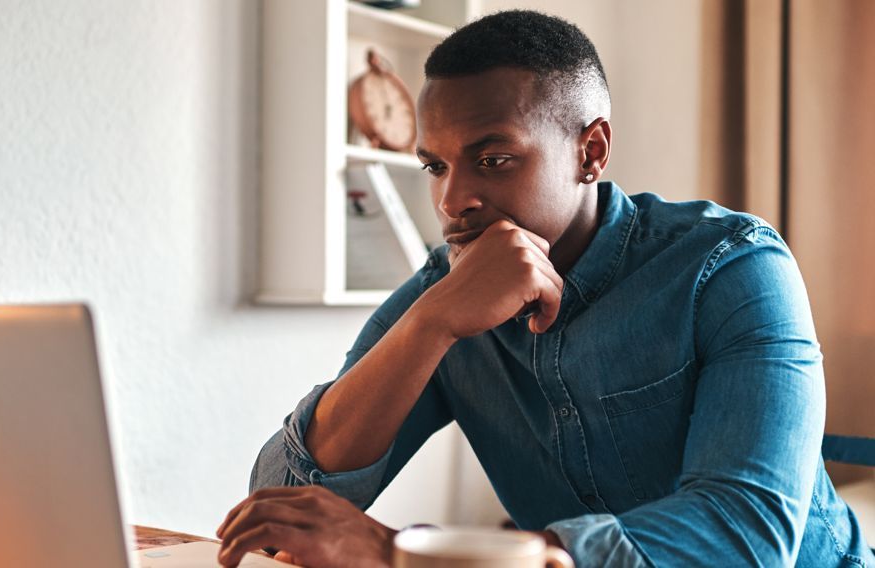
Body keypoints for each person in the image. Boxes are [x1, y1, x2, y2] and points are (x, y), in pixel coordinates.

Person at [216, 10, 874, 567]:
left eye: (493, 160)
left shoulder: (731, 265)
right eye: (435, 166)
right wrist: (429, 324)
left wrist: (406, 554)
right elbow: (277, 500)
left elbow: (747, 534)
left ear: (591, 151)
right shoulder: (447, 291)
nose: (453, 200)